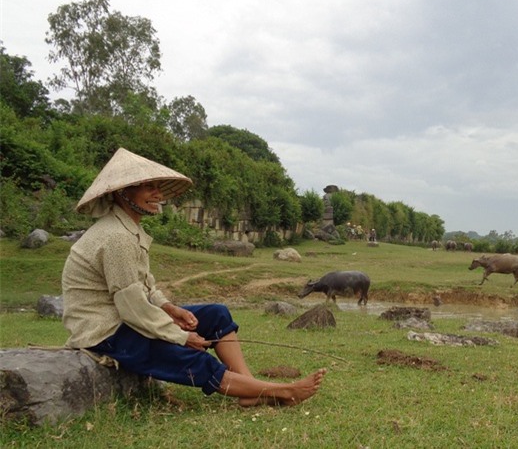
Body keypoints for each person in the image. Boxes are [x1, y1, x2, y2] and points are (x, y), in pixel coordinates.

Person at [62, 148, 326, 406]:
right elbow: (132, 306)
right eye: (148, 187)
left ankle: (249, 388)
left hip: (127, 318)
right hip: (107, 331)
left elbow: (145, 285)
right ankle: (282, 391)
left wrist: (168, 308)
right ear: (122, 193)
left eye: (158, 186)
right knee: (192, 357)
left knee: (215, 315)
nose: (158, 194)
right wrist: (180, 337)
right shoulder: (116, 238)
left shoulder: (128, 230)